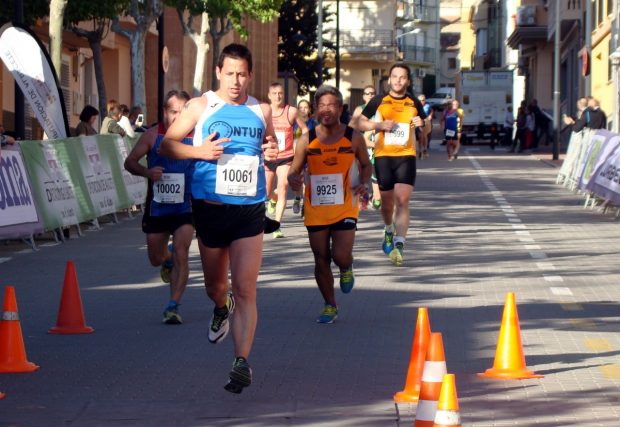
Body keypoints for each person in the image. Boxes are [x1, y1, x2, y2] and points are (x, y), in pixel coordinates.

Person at [160, 43, 278, 394]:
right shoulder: (201, 106)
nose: (236, 81)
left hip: (249, 208)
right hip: (210, 208)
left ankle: (241, 362)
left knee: (245, 288)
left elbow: (269, 148)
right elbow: (167, 144)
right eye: (230, 73)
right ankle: (219, 306)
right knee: (217, 287)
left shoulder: (262, 110)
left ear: (251, 74)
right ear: (218, 73)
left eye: (242, 73)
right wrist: (198, 151)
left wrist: (270, 152)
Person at [288, 85, 371, 323]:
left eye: (331, 105)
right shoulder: (306, 140)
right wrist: (294, 179)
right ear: (314, 110)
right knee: (321, 256)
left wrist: (364, 183)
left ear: (341, 109)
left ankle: (346, 267)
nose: (326, 110)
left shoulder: (353, 137)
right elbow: (295, 169)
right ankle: (329, 304)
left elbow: (366, 165)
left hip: (345, 204)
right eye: (321, 105)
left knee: (340, 254)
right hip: (316, 207)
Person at [124, 90, 194, 325]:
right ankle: (167, 258)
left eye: (183, 112)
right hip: (158, 206)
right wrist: (147, 172)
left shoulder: (197, 136)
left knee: (183, 252)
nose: (178, 117)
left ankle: (173, 305)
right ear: (165, 112)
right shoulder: (153, 136)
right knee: (155, 257)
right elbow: (130, 162)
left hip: (186, 206)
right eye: (173, 111)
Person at [354, 63, 427, 266]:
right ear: (389, 80)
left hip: (406, 156)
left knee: (403, 200)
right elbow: (358, 122)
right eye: (394, 77)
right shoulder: (379, 100)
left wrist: (423, 124)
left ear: (408, 81)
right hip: (384, 157)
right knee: (387, 206)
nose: (398, 80)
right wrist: (378, 125)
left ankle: (399, 244)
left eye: (402, 77)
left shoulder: (413, 101)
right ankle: (388, 229)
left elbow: (426, 125)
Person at [264, 82, 307, 237]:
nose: (278, 96)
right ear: (269, 95)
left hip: (286, 157)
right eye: (274, 93)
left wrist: (300, 147)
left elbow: (305, 130)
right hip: (268, 156)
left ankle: (276, 225)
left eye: (280, 93)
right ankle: (272, 199)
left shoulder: (291, 112)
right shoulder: (264, 112)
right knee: (267, 192)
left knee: (283, 187)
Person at [350, 84, 382, 209]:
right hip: (362, 145)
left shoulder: (380, 109)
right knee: (361, 171)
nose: (370, 95)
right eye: (367, 93)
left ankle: (376, 196)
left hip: (378, 145)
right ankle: (364, 195)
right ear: (363, 96)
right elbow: (351, 127)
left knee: (376, 171)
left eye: (372, 93)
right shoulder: (359, 110)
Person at [291, 99, 316, 215]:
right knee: (298, 180)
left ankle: (306, 205)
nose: (303, 110)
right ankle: (297, 199)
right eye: (301, 107)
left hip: (309, 156)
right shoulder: (293, 123)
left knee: (307, 181)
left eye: (305, 107)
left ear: (309, 109)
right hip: (295, 155)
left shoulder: (313, 123)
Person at [417, 94, 433, 158]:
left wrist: (430, 116)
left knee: (425, 135)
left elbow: (431, 111)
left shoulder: (428, 106)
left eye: (423, 100)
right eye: (420, 100)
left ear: (425, 100)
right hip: (418, 122)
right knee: (420, 136)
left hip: (426, 122)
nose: (421, 101)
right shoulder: (416, 106)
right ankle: (420, 149)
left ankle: (425, 149)